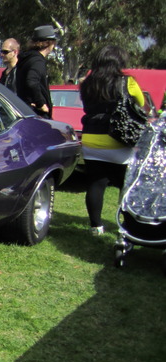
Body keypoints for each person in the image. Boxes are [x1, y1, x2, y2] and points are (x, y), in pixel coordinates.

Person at [79, 45, 146, 236]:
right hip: (118, 139)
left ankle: (96, 226)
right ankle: (127, 225)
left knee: (95, 183)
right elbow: (140, 102)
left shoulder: (87, 83)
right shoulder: (127, 82)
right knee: (127, 186)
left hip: (91, 139)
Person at [15, 25, 58, 118]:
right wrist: (41, 104)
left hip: (25, 110)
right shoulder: (38, 61)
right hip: (36, 113)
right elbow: (32, 81)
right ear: (49, 43)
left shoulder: (26, 59)